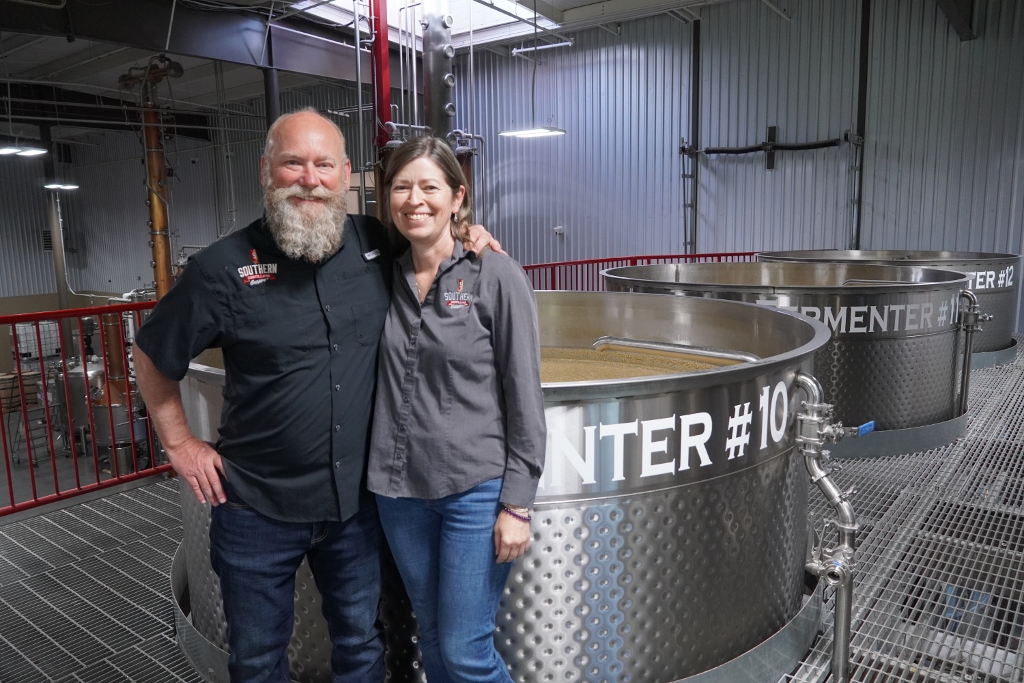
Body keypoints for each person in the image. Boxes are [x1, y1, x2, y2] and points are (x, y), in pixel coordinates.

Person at [133, 109, 499, 683]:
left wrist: (467, 235)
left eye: (324, 164)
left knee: (360, 646)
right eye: (293, 163)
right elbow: (153, 355)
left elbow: (435, 250)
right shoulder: (221, 268)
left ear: (346, 173)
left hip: (356, 507)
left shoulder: (377, 243)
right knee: (256, 660)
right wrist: (178, 443)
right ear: (266, 171)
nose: (310, 178)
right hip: (255, 507)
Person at [367, 136, 546, 683]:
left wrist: (516, 505)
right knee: (435, 639)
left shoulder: (495, 275)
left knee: (466, 651)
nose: (414, 199)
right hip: (399, 495)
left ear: (456, 196)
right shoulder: (380, 275)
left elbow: (525, 396)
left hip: (474, 491)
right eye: (402, 187)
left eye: (429, 186)